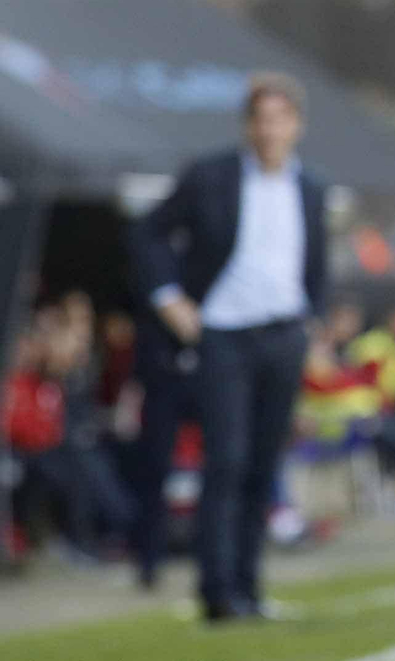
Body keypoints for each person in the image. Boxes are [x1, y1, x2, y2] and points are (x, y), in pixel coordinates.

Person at [129, 72, 327, 623]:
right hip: (223, 337)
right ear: (247, 125)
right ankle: (217, 592)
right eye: (260, 119)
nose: (270, 130)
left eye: (280, 119)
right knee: (228, 461)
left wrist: (312, 322)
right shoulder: (211, 176)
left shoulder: (310, 188)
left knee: (264, 465)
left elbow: (314, 263)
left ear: (297, 125)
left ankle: (249, 586)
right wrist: (169, 299)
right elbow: (147, 232)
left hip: (283, 336)